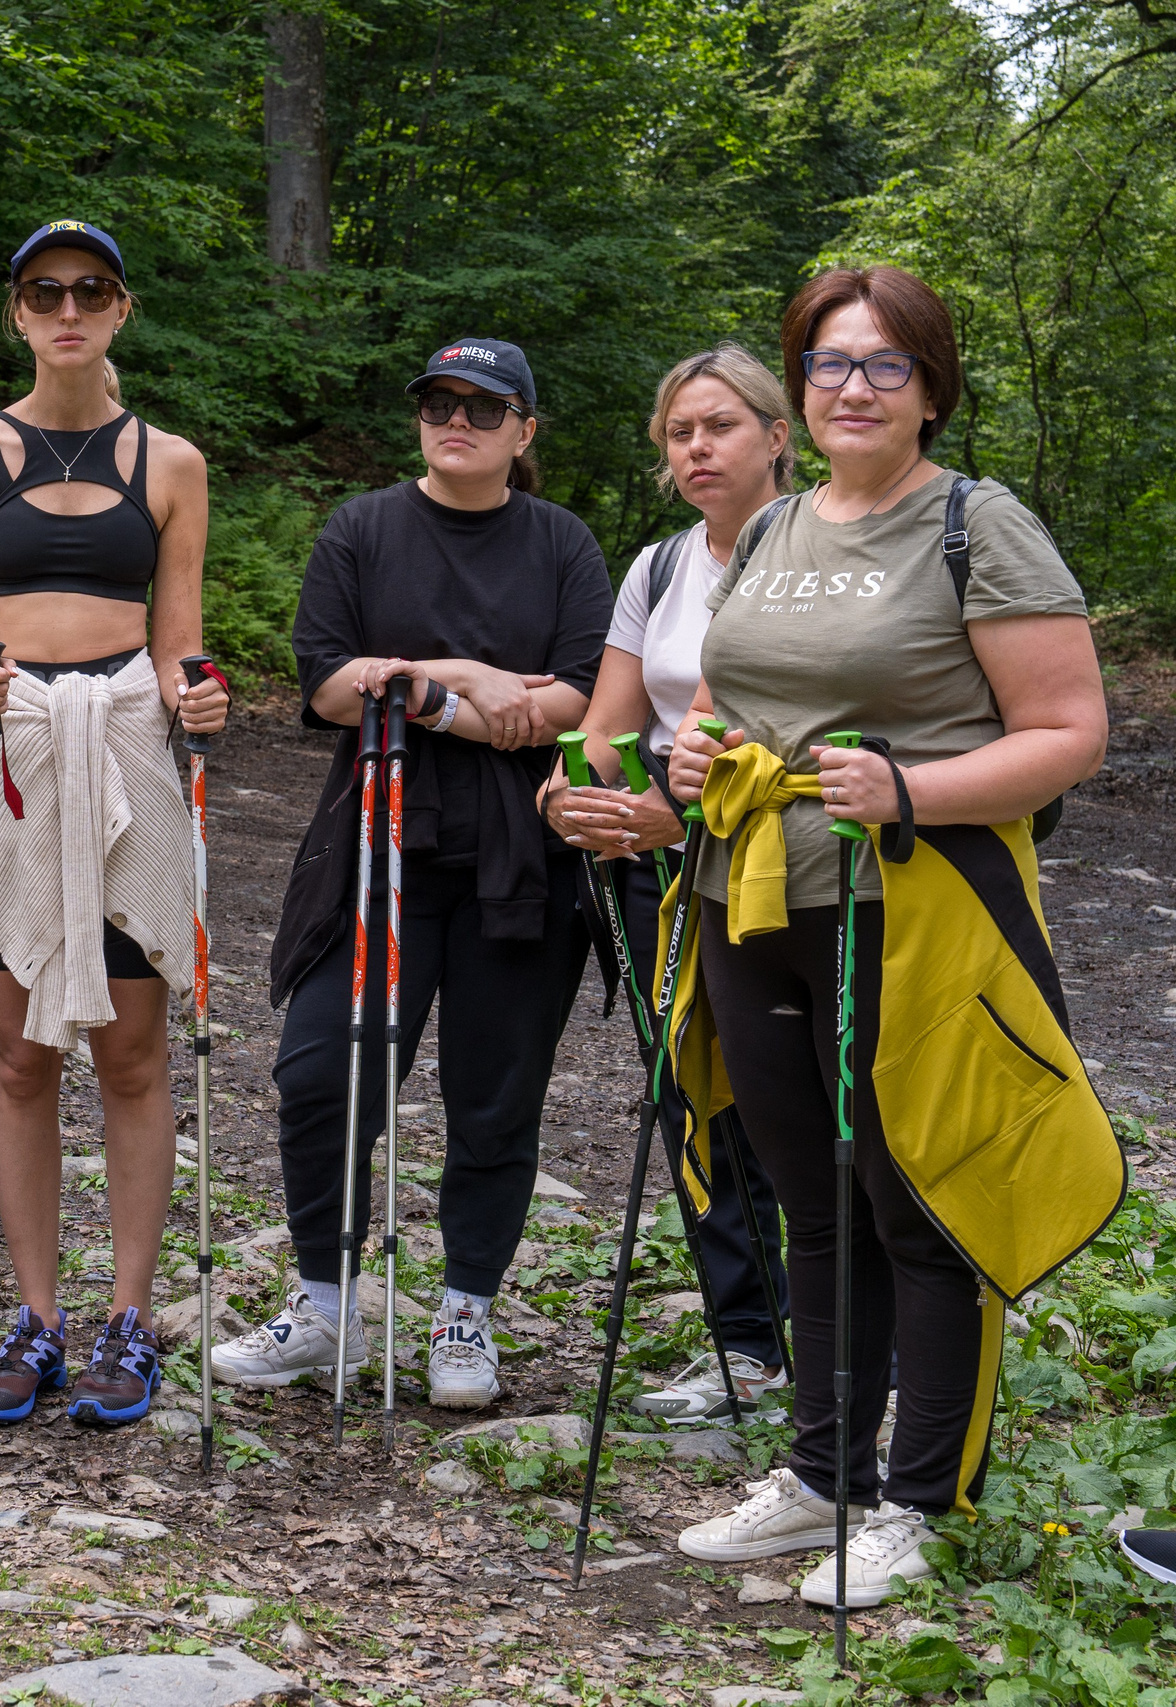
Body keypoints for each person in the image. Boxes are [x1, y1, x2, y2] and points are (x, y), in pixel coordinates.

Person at [667, 266, 1114, 1608]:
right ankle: (823, 1473)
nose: (852, 386)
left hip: (917, 901)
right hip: (758, 889)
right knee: (811, 1198)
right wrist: (702, 754)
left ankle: (925, 1493)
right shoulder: (774, 526)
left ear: (930, 387)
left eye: (884, 366)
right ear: (798, 387)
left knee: (921, 1202)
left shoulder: (981, 524)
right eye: (827, 363)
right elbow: (750, 702)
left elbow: (1069, 732)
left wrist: (913, 789)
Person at [232, 337, 612, 1410]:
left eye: (484, 409)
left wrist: (415, 687)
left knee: (494, 1095)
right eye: (439, 403)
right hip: (376, 836)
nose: (457, 420)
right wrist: (471, 683)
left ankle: (464, 1315)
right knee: (319, 1073)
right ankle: (324, 1303)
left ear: (523, 431)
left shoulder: (561, 544)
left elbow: (580, 697)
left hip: (522, 849)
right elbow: (326, 685)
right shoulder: (363, 528)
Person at [0, 220, 228, 1429]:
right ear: (15, 312)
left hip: (130, 755)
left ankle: (128, 1321)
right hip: (8, 757)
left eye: (89, 289)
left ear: (120, 308)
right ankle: (37, 1317)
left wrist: (198, 689)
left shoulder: (170, 462)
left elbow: (180, 638)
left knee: (134, 1052)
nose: (66, 308)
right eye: (43, 290)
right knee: (16, 1050)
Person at [542, 343, 797, 1423]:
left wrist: (677, 813)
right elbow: (604, 727)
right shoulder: (658, 567)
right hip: (665, 880)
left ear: (777, 435)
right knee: (695, 1101)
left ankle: (840, 1350)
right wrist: (566, 798)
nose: (697, 447)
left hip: (794, 870)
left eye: (721, 425)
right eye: (680, 432)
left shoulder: (824, 552)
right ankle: (747, 1348)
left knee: (805, 1108)